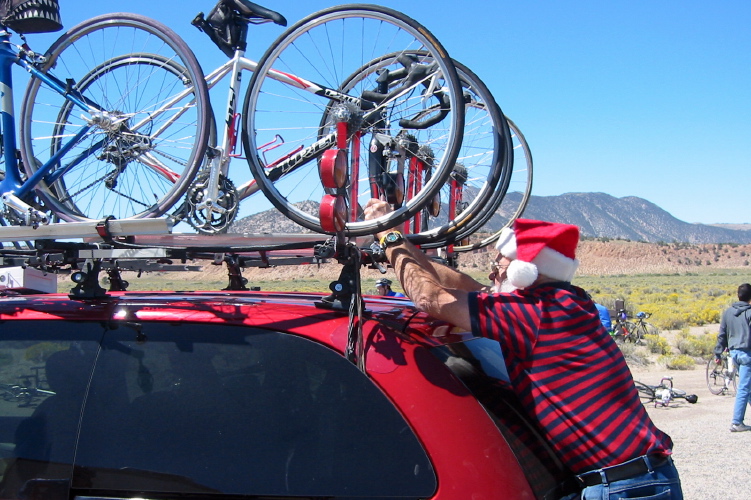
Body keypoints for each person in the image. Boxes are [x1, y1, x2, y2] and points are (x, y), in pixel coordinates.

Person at [364, 199, 683, 499]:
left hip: (624, 486)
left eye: (498, 264)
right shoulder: (560, 303)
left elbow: (431, 299)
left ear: (524, 271)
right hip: (634, 479)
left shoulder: (535, 313)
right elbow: (460, 284)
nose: (492, 273)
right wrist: (402, 245)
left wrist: (387, 233)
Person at [713, 283, 751, 432]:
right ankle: (737, 422)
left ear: (738, 295)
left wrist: (718, 353)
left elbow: (722, 335)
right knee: (744, 388)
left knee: (748, 387)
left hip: (734, 353)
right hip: (748, 354)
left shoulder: (728, 313)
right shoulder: (749, 312)